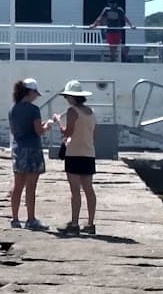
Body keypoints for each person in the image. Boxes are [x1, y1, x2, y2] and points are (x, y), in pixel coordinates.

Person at [51, 79, 98, 234]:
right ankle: (90, 224)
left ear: (72, 97)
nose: (66, 99)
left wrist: (58, 121)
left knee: (75, 191)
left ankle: (75, 223)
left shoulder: (72, 111)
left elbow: (67, 132)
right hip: (88, 153)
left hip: (74, 154)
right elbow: (91, 133)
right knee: (89, 189)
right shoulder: (90, 111)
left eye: (67, 97)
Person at [8, 77, 52, 229]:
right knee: (31, 186)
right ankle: (31, 219)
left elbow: (14, 131)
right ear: (31, 92)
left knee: (17, 185)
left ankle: (15, 219)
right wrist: (47, 126)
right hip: (32, 148)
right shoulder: (34, 110)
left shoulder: (13, 109)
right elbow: (38, 131)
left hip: (18, 148)